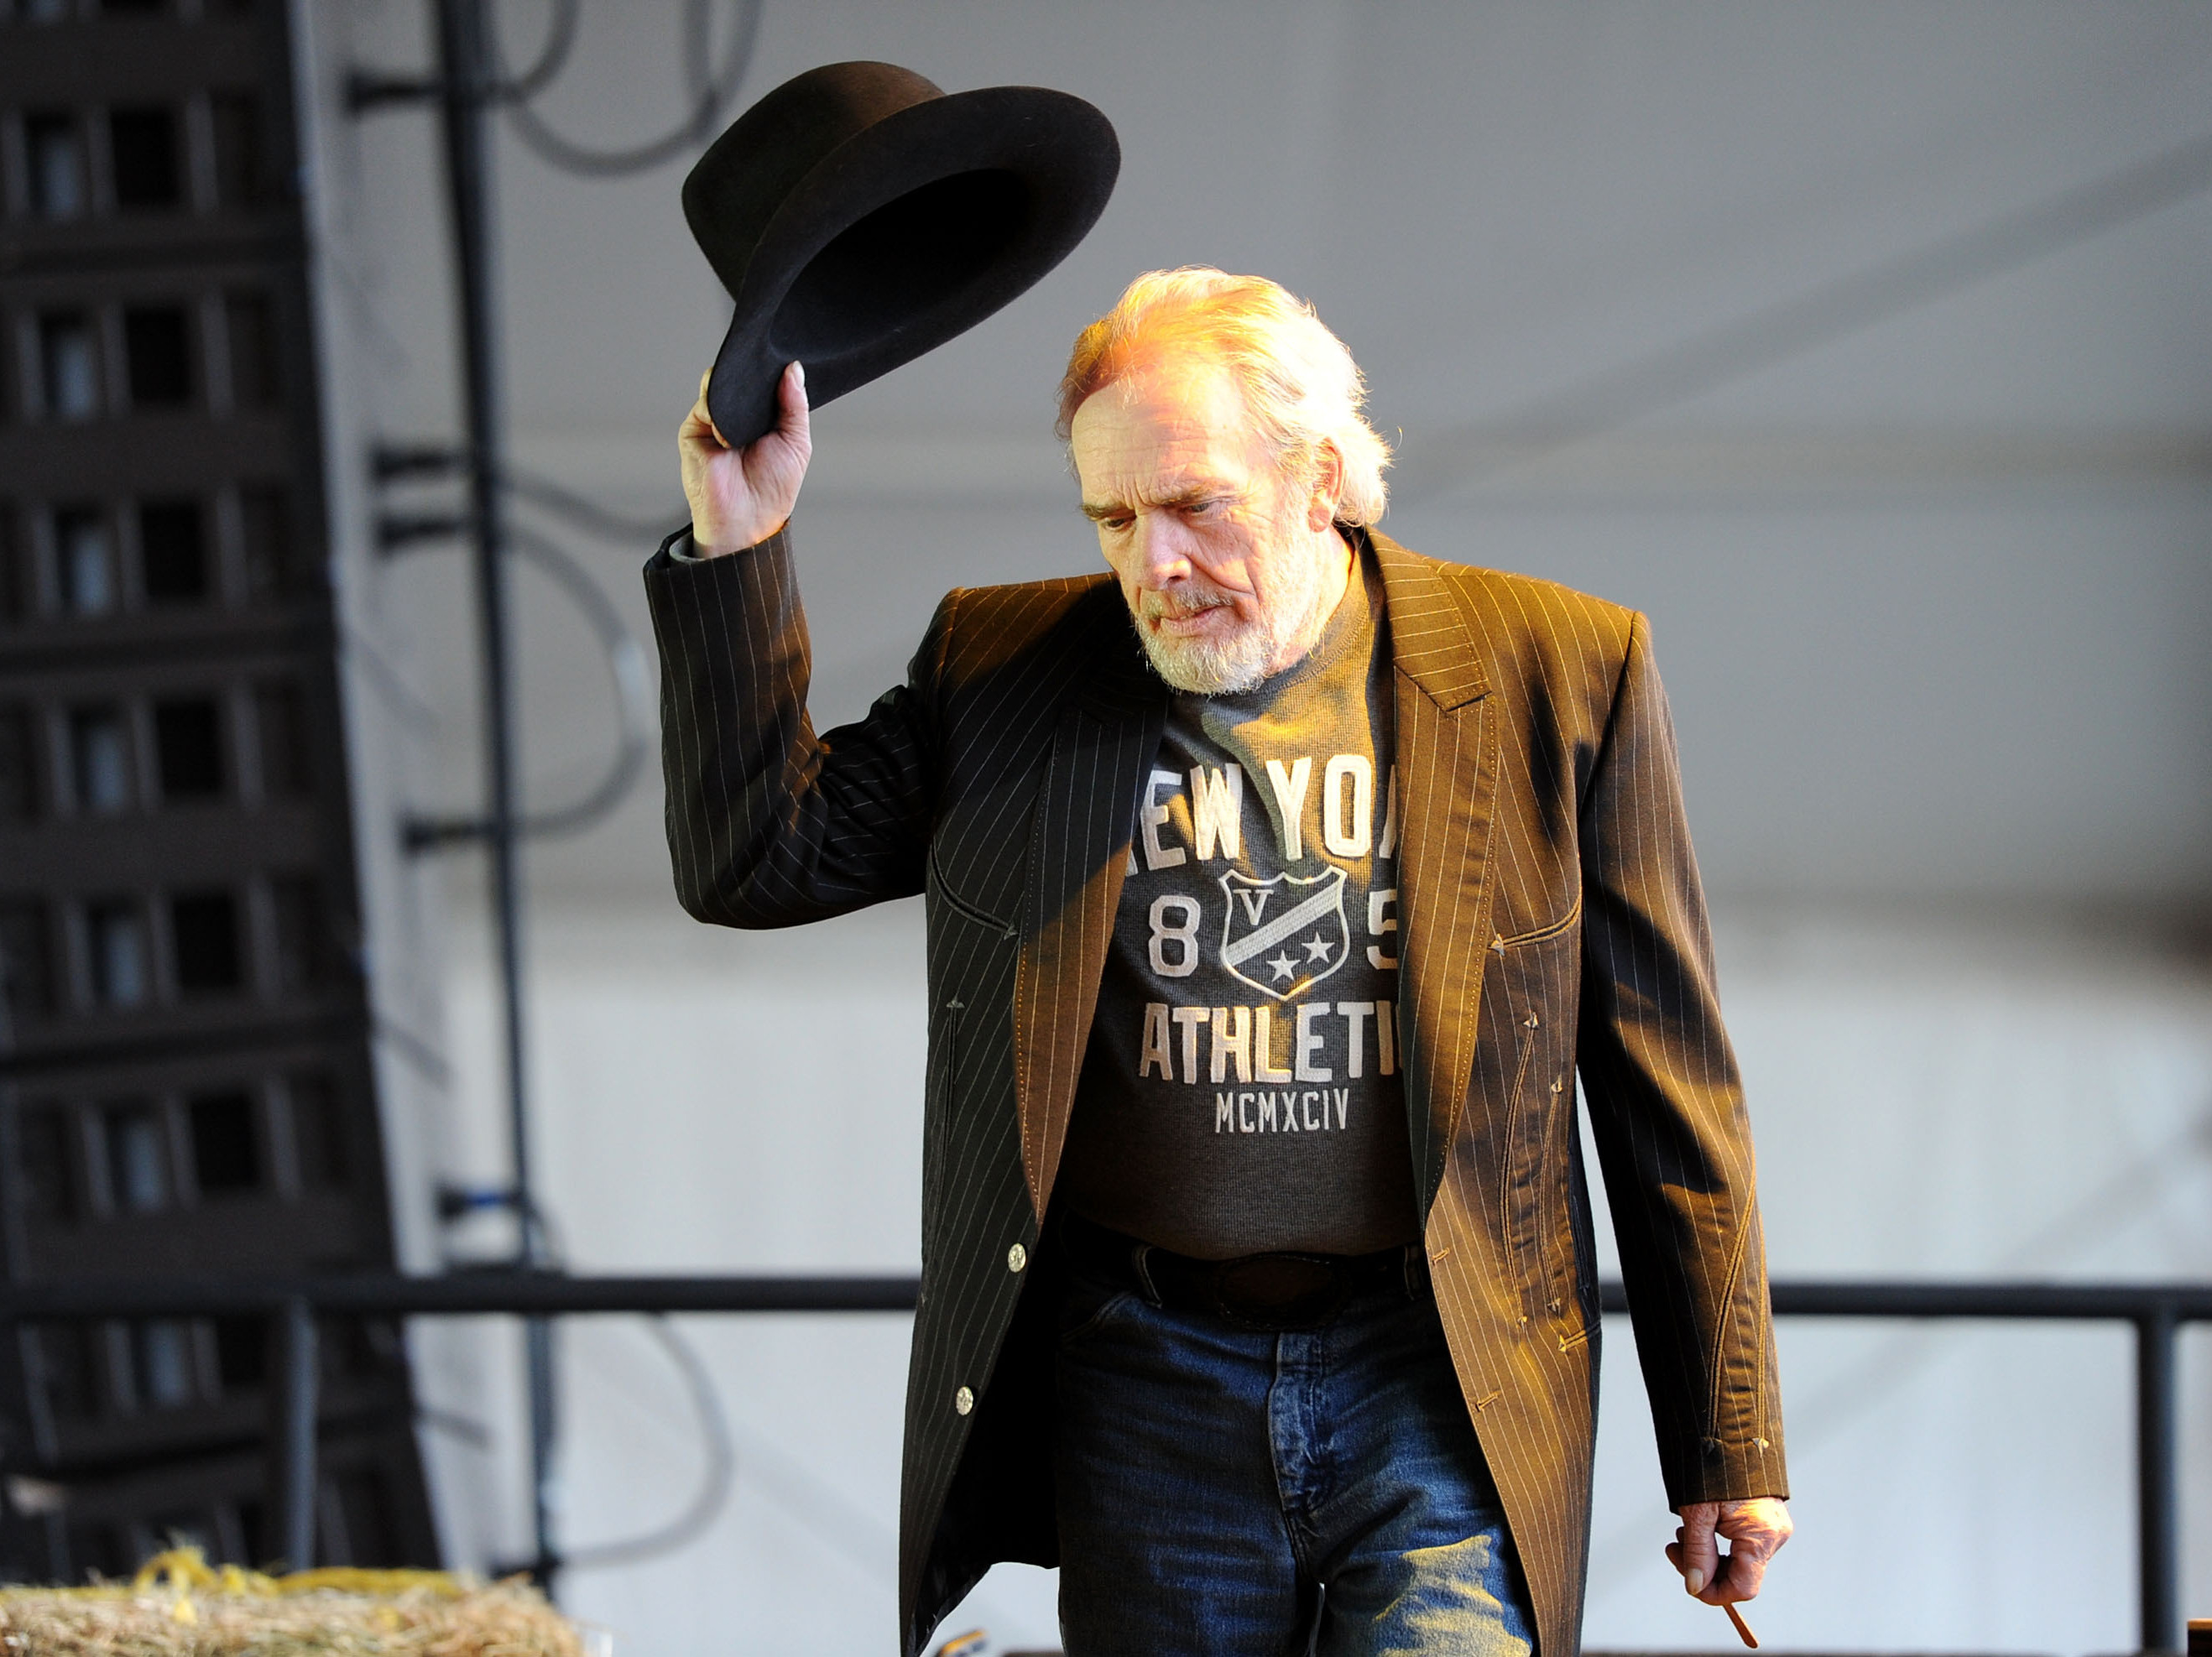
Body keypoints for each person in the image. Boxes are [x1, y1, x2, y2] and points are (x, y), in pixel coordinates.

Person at [649, 268, 1791, 1657]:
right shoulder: (1006, 670)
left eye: (1196, 505)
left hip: (1440, 1371)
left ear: (1325, 478)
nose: (1156, 564)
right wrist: (739, 544)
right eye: (1115, 518)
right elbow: (760, 862)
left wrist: (1728, 1439)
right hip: (1146, 1379)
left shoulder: (1557, 668)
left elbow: (1667, 1081)